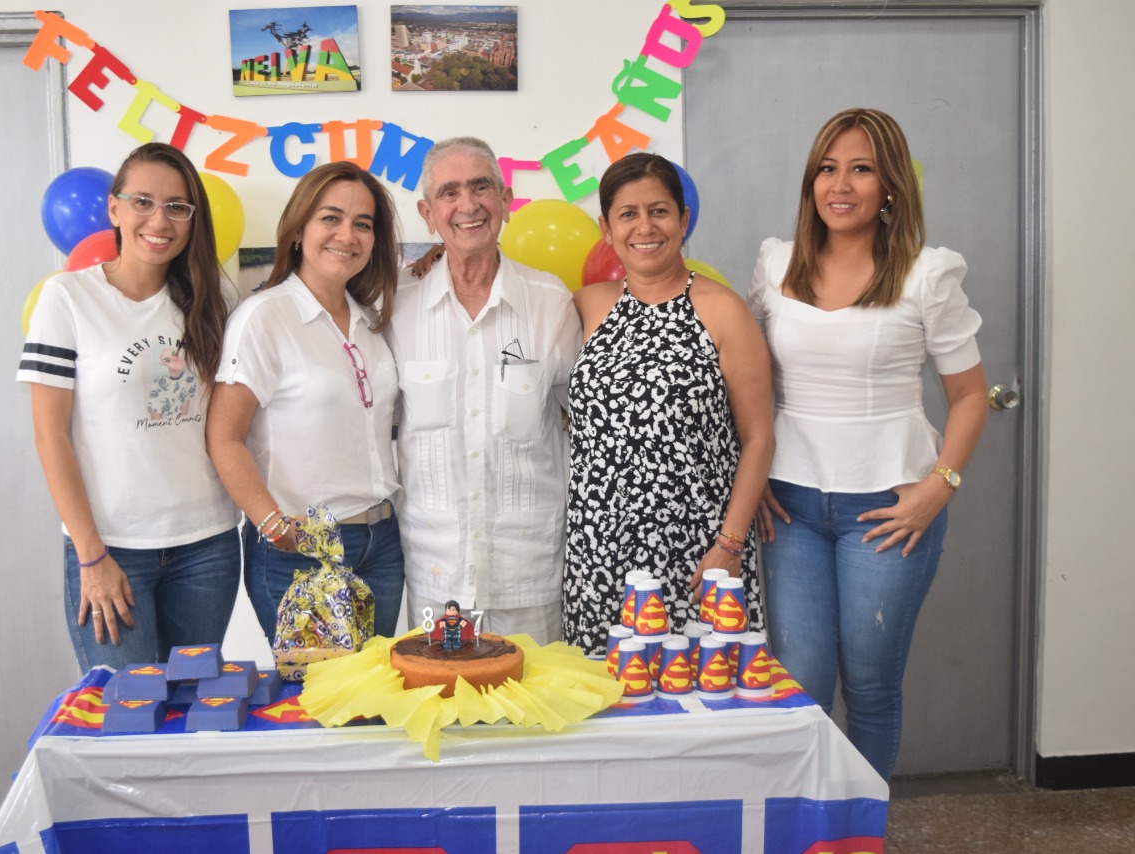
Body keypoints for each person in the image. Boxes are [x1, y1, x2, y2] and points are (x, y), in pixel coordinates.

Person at [749, 108, 987, 781]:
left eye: (861, 169)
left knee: (871, 686)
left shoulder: (926, 275)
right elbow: (749, 381)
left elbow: (971, 396)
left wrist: (940, 487)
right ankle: (810, 824)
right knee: (801, 684)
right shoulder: (776, 264)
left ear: (890, 186)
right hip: (790, 506)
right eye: (827, 169)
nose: (840, 184)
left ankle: (860, 829)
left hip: (889, 509)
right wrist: (752, 473)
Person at [18, 142, 241, 671]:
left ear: (192, 219)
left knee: (196, 702)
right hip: (111, 546)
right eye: (143, 202)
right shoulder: (67, 298)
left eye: (177, 207)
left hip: (206, 545)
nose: (159, 220)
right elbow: (50, 435)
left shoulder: (214, 302)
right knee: (125, 709)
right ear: (114, 209)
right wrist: (91, 554)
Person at [564, 152, 775, 655]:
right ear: (606, 229)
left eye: (658, 211)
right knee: (602, 691)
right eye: (628, 214)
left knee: (702, 686)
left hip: (698, 553)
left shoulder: (723, 311)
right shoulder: (586, 305)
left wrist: (729, 545)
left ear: (682, 219)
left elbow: (758, 437)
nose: (645, 227)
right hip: (599, 552)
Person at [388, 137, 581, 643]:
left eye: (481, 187)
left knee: (537, 694)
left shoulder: (551, 303)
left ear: (506, 200)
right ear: (428, 214)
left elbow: (584, 427)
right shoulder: (397, 309)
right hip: (435, 574)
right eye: (449, 193)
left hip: (529, 574)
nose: (468, 205)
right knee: (438, 693)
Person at [207, 161, 404, 640]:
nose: (347, 235)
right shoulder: (264, 317)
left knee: (375, 687)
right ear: (298, 230)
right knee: (317, 689)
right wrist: (273, 526)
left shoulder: (371, 321)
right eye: (330, 218)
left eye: (363, 224)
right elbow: (224, 437)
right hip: (305, 546)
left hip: (382, 542)